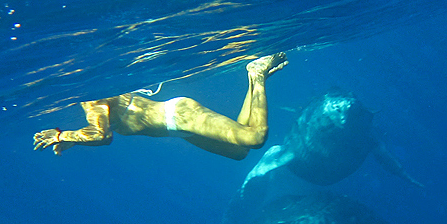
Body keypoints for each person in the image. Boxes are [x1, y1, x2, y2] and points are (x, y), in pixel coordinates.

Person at [33, 53, 287, 160]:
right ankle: (253, 83)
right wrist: (74, 139)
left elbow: (102, 135)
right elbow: (99, 128)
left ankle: (257, 74)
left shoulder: (91, 98)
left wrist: (61, 135)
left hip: (179, 115)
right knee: (239, 151)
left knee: (254, 137)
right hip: (178, 128)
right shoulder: (92, 100)